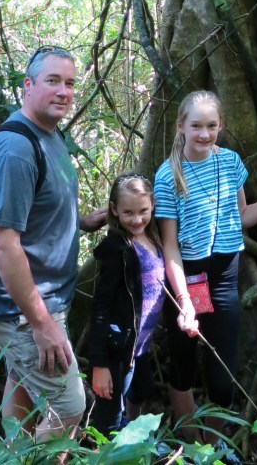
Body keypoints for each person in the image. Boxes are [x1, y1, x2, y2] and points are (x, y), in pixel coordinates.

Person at [0, 46, 106, 444]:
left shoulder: (52, 136)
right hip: (22, 309)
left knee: (20, 377)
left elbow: (37, 210)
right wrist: (41, 323)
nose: (64, 91)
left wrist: (81, 222)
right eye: (52, 81)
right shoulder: (15, 150)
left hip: (47, 298)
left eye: (69, 83)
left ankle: (14, 453)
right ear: (27, 87)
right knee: (69, 407)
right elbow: (3, 245)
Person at [154, 90, 257, 450]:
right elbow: (169, 245)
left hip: (224, 278)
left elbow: (242, 217)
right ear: (181, 127)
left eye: (212, 126)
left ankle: (211, 443)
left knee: (223, 374)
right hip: (187, 278)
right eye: (197, 126)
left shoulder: (230, 162)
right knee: (184, 364)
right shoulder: (168, 175)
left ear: (221, 126)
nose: (204, 134)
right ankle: (189, 444)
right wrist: (185, 300)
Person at [89, 173, 165, 437]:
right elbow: (100, 308)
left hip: (140, 345)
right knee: (107, 416)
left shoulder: (154, 237)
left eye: (143, 211)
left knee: (142, 389)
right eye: (128, 212)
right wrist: (100, 366)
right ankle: (104, 449)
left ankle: (130, 434)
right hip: (117, 346)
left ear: (153, 205)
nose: (136, 219)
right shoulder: (117, 249)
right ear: (114, 210)